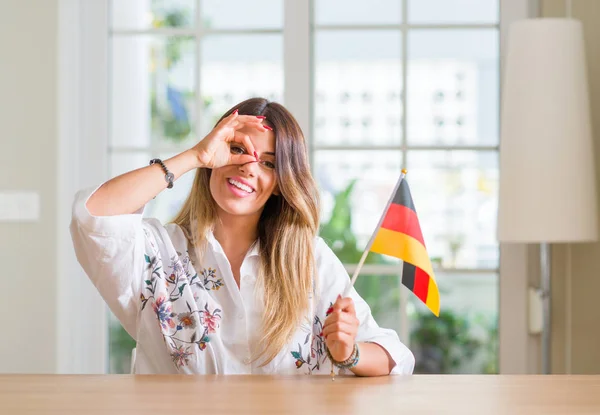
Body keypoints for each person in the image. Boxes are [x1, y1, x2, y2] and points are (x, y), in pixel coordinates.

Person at [70, 97, 415, 375]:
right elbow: (93, 214)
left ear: (282, 183)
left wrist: (349, 353)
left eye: (268, 163)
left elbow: (394, 356)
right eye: (237, 150)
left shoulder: (308, 258)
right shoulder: (159, 252)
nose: (249, 167)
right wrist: (194, 156)